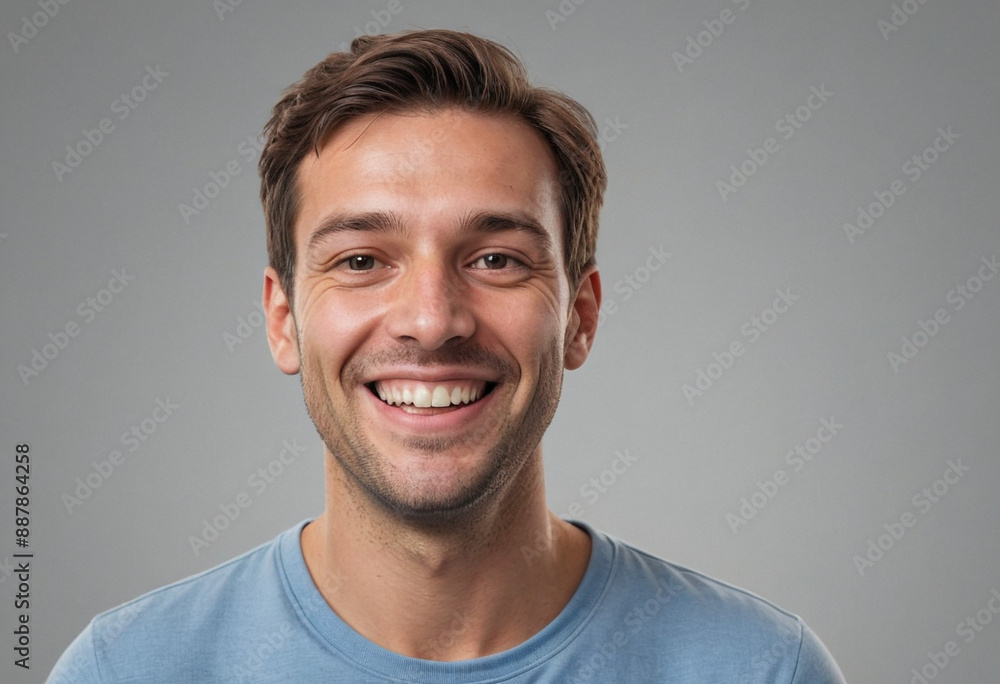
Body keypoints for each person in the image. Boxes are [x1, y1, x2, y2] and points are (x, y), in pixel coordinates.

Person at [48, 29, 846, 682]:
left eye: (496, 259)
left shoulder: (762, 670)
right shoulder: (124, 671)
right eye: (361, 260)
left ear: (581, 317)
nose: (431, 322)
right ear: (284, 320)